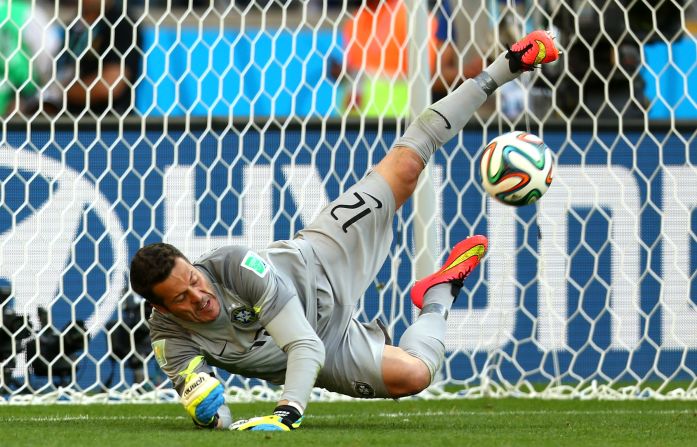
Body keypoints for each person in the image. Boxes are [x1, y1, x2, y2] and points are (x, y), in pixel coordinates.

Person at [129, 30, 559, 431]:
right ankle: (439, 296)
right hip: (328, 344)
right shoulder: (169, 336)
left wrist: (287, 412)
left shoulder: (233, 265)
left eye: (194, 280)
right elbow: (208, 404)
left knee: (407, 166)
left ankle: (509, 64)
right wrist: (208, 411)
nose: (199, 296)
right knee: (416, 375)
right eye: (181, 298)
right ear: (161, 309)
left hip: (320, 260)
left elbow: (301, 343)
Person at [41, 0, 141, 116]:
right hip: (66, 120)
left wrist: (61, 92)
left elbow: (110, 85)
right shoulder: (74, 26)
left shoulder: (122, 24)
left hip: (104, 125)